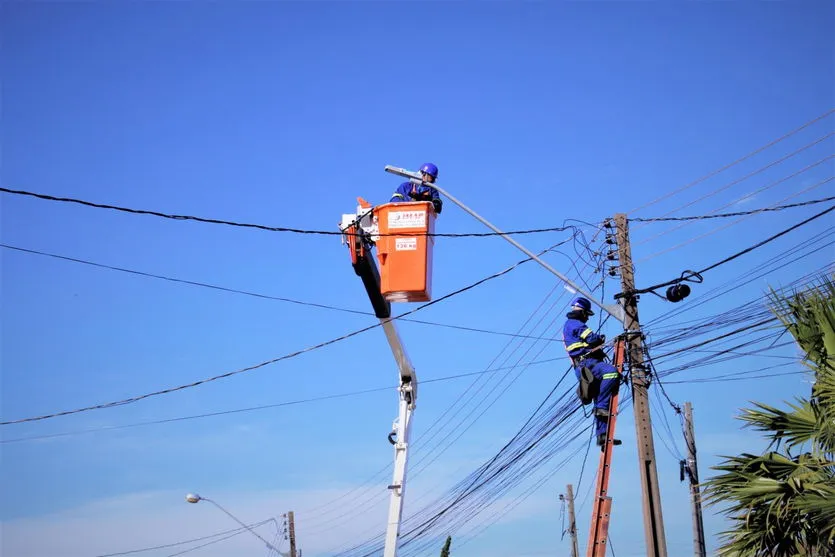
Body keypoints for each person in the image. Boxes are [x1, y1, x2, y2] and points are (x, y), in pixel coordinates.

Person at [562, 296, 622, 449]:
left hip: (583, 366)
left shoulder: (569, 325)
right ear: (582, 312)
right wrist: (600, 340)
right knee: (612, 373)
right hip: (588, 364)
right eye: (587, 314)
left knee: (600, 396)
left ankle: (602, 436)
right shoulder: (576, 324)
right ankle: (601, 407)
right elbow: (592, 338)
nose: (587, 318)